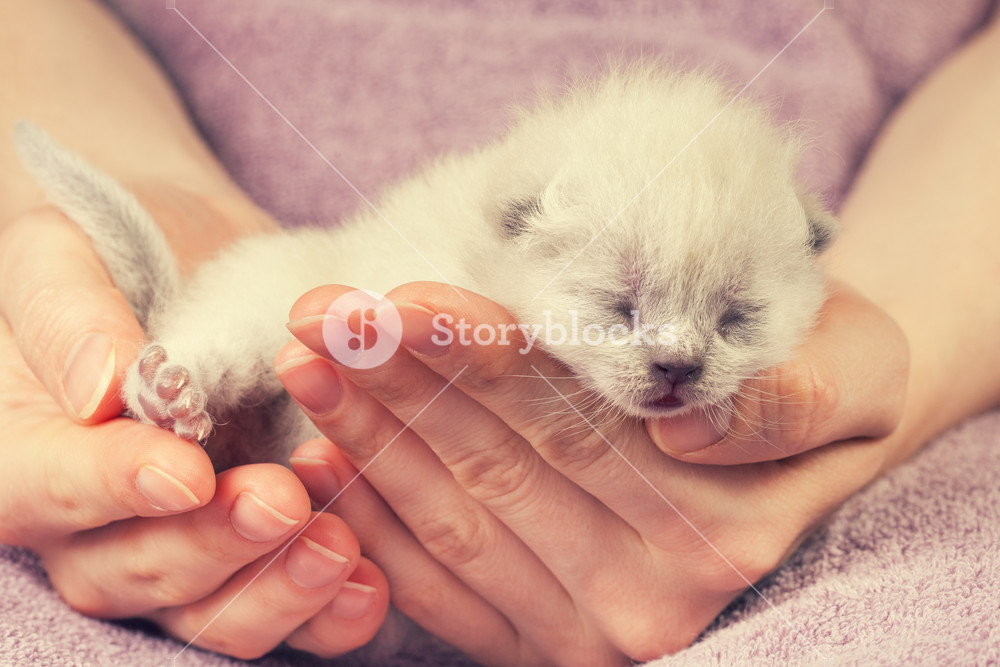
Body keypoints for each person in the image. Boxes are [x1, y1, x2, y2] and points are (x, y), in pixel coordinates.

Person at [1, 0, 997, 664]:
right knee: (279, 291)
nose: (681, 359)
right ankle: (193, 382)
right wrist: (165, 242)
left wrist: (890, 365)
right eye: (619, 311)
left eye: (737, 319)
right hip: (235, 496)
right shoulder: (468, 240)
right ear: (518, 235)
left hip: (917, 402)